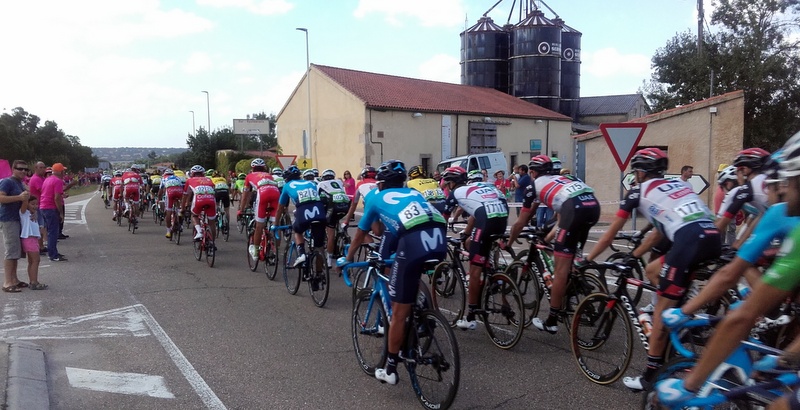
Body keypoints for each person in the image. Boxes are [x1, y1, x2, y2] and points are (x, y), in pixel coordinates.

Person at [656, 133, 800, 406]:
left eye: (786, 181)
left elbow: (734, 293)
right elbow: (750, 227)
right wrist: (786, 358)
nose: (779, 191)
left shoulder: (777, 212)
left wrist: (689, 385)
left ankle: (771, 316)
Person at [584, 148, 720, 391]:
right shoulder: (678, 185)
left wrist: (587, 260)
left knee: (660, 314)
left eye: (636, 171)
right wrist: (634, 256)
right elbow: (659, 232)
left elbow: (610, 234)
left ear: (640, 172)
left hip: (689, 239)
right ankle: (681, 308)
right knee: (654, 269)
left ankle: (650, 376)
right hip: (712, 234)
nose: (635, 175)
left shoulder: (638, 191)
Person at [336, 160, 447, 385]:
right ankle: (421, 311)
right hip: (439, 234)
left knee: (398, 312)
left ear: (381, 184)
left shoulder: (376, 197)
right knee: (409, 272)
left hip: (413, 237)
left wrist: (347, 259)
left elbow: (361, 234)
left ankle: (390, 368)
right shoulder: (413, 193)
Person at [506, 155, 600, 333]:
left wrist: (509, 242)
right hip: (593, 207)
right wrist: (547, 239)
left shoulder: (533, 186)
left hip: (574, 210)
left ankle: (552, 320)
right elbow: (558, 219)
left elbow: (521, 221)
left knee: (560, 270)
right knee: (570, 256)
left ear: (532, 172)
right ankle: (576, 283)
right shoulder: (563, 180)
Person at [441, 167, 509, 330]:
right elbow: (474, 213)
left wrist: (440, 238)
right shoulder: (479, 187)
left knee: (475, 267)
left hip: (487, 219)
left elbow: (443, 219)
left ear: (451, 183)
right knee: (476, 244)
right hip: (502, 216)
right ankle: (493, 275)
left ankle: (471, 316)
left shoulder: (455, 193)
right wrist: (466, 233)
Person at [273, 165, 327, 278]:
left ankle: (301, 253)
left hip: (303, 209)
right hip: (319, 210)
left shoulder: (287, 186)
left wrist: (276, 224)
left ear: (286, 178)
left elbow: (280, 208)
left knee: (297, 231)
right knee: (319, 246)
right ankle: (319, 275)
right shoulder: (311, 183)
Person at [714, 148, 771, 234]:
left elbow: (719, 226)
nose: (737, 177)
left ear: (745, 170)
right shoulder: (768, 182)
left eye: (737, 172)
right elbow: (754, 220)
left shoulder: (745, 189)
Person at [0, 160, 30, 291]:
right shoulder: (7, 182)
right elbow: (1, 198)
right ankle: (7, 282)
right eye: (20, 169)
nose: (23, 171)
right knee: (11, 251)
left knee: (16, 251)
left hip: (18, 219)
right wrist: (19, 197)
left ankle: (14, 279)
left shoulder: (20, 183)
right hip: (8, 219)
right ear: (13, 169)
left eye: (25, 169)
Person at [317, 169, 351, 267]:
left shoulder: (321, 184)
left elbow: (317, 198)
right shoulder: (338, 182)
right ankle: (341, 232)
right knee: (337, 218)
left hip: (333, 207)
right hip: (346, 205)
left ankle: (329, 260)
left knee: (330, 234)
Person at [40, 163, 67, 262]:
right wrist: (60, 212)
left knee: (50, 230)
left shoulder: (48, 179)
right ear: (60, 171)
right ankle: (53, 254)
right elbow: (56, 198)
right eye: (63, 171)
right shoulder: (58, 181)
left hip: (43, 206)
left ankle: (53, 251)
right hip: (50, 207)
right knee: (53, 232)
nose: (64, 173)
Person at [182, 165, 217, 241]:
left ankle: (199, 232)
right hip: (211, 200)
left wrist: (183, 208)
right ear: (203, 173)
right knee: (212, 223)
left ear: (192, 173)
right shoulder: (209, 179)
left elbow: (185, 195)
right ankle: (212, 242)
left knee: (194, 215)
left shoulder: (189, 180)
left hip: (199, 200)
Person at [19, 195, 46, 290]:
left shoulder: (35, 213)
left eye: (36, 204)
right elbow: (25, 202)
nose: (35, 206)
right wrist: (26, 196)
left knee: (31, 261)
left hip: (33, 239)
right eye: (32, 204)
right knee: (36, 260)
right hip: (29, 238)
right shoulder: (24, 213)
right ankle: (34, 282)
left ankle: (32, 281)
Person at [28, 161, 48, 254]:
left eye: (44, 167)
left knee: (42, 225)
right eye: (41, 167)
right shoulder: (36, 179)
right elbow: (43, 190)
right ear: (35, 168)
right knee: (40, 225)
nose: (43, 169)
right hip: (37, 205)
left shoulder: (42, 178)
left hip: (41, 204)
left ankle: (41, 246)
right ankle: (39, 246)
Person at [158, 169, 184, 238]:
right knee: (178, 203)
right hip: (179, 191)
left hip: (170, 192)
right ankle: (179, 212)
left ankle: (168, 231)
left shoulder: (164, 178)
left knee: (168, 211)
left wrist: (159, 198)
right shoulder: (177, 178)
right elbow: (182, 186)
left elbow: (160, 190)